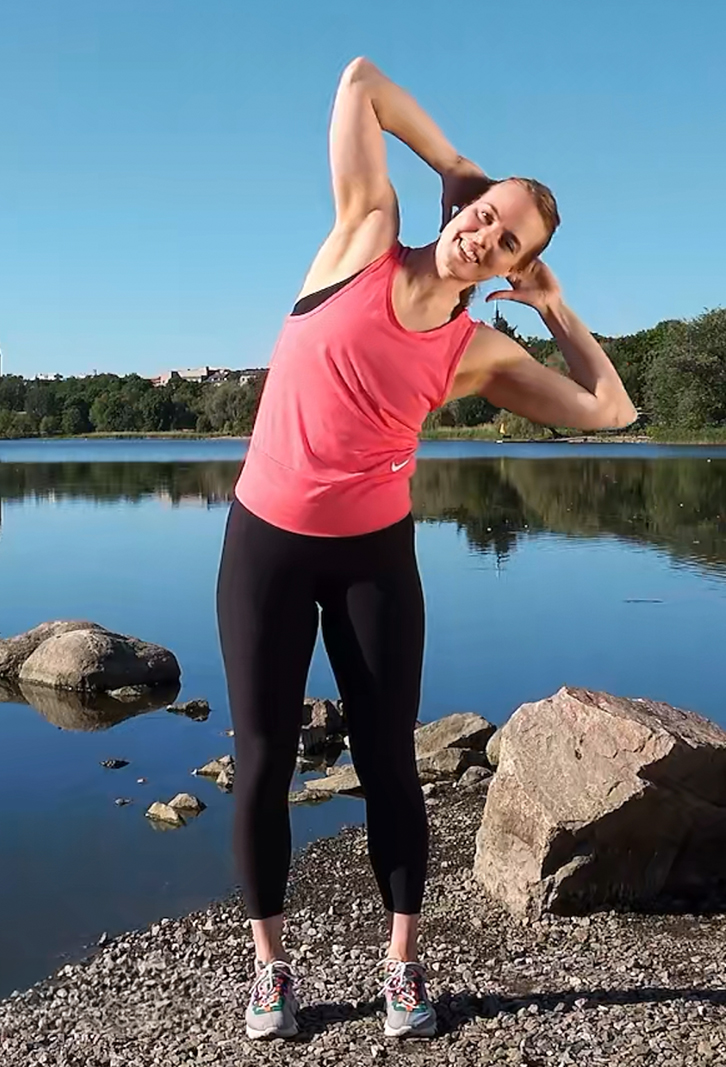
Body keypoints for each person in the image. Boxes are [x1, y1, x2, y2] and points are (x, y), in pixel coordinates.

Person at [216, 57, 636, 1042]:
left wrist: (553, 305)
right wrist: (454, 162)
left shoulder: (478, 351)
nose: (482, 232)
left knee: (390, 761)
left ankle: (403, 969)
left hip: (372, 557)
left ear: (511, 265)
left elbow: (610, 408)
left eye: (507, 239)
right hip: (265, 543)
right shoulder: (363, 232)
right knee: (263, 756)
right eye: (484, 211)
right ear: (465, 206)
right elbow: (360, 80)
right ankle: (270, 969)